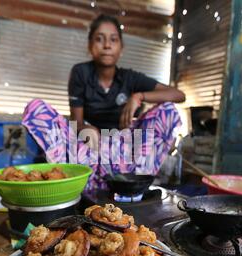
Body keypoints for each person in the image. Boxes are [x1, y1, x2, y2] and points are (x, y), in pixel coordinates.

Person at [22, 14, 185, 191]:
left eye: (113, 40)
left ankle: (132, 180)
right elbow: (76, 123)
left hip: (124, 149)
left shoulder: (129, 78)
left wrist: (139, 96)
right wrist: (85, 128)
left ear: (121, 47)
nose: (107, 45)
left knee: (167, 109)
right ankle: (82, 179)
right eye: (99, 39)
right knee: (36, 108)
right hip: (89, 145)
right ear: (90, 46)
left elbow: (178, 95)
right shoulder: (80, 73)